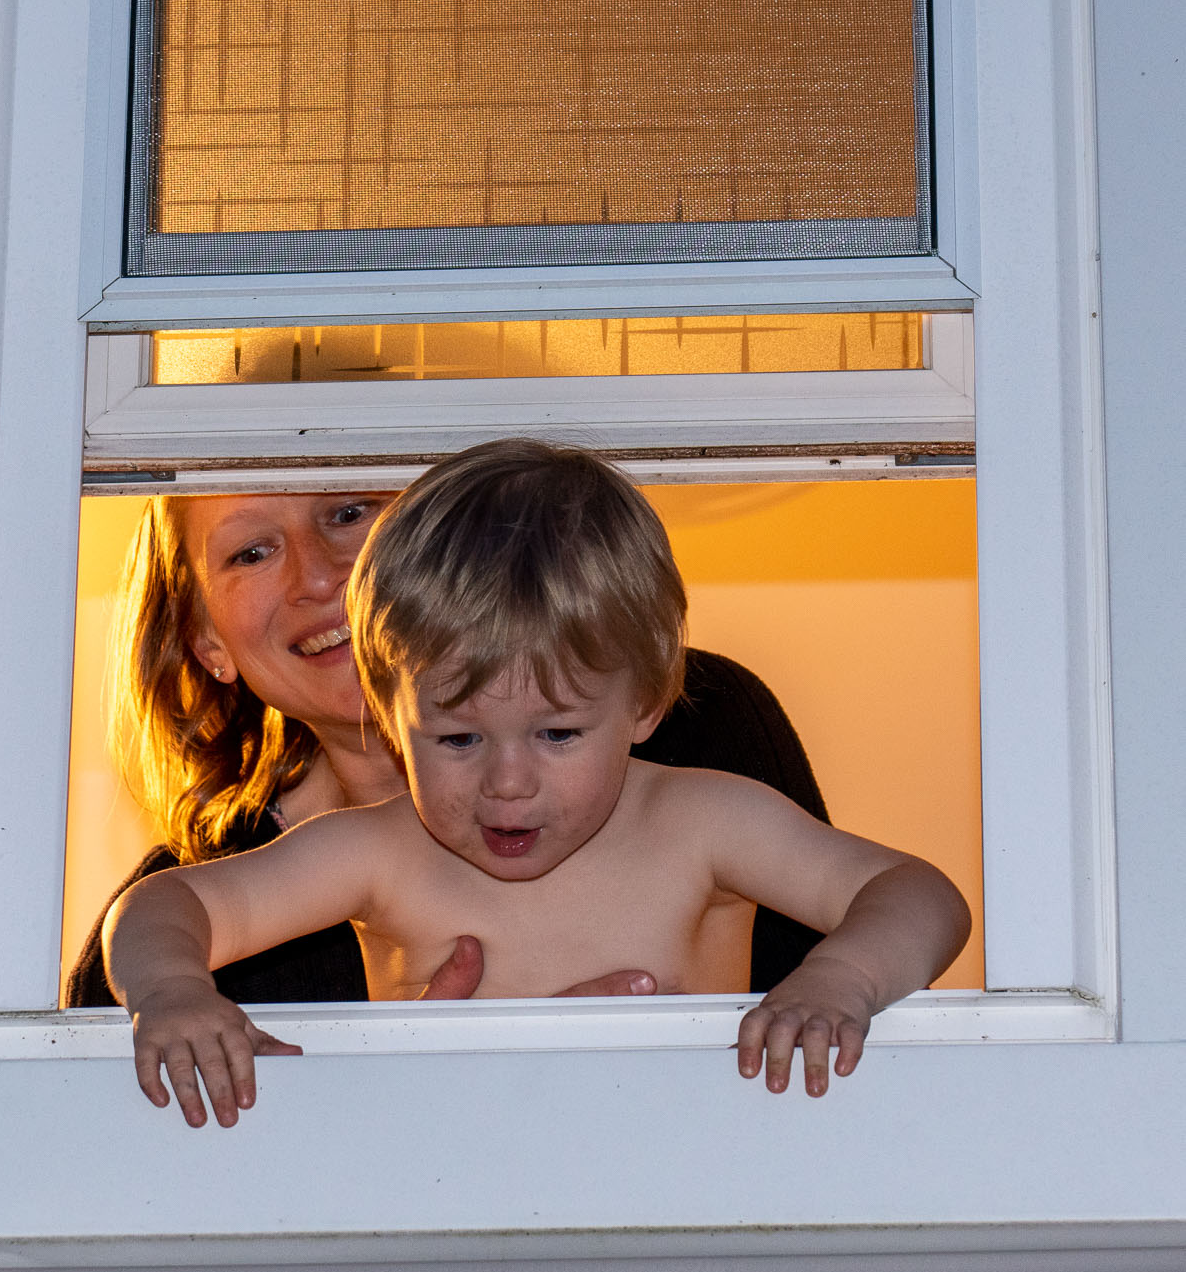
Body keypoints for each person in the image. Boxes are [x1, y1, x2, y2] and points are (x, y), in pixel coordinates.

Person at [106, 440, 969, 1125]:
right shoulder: (376, 855)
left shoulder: (704, 820)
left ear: (648, 702)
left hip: (692, 1184)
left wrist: (839, 979)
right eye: (457, 738)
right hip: (467, 1205)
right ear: (389, 708)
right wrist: (173, 991)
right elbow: (161, 907)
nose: (507, 784)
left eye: (558, 734)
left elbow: (917, 893)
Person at [66, 483, 832, 1010]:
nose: (320, 577)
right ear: (205, 639)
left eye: (348, 512)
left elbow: (830, 1040)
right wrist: (430, 1086)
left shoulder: (701, 725)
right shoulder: (180, 929)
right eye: (251, 553)